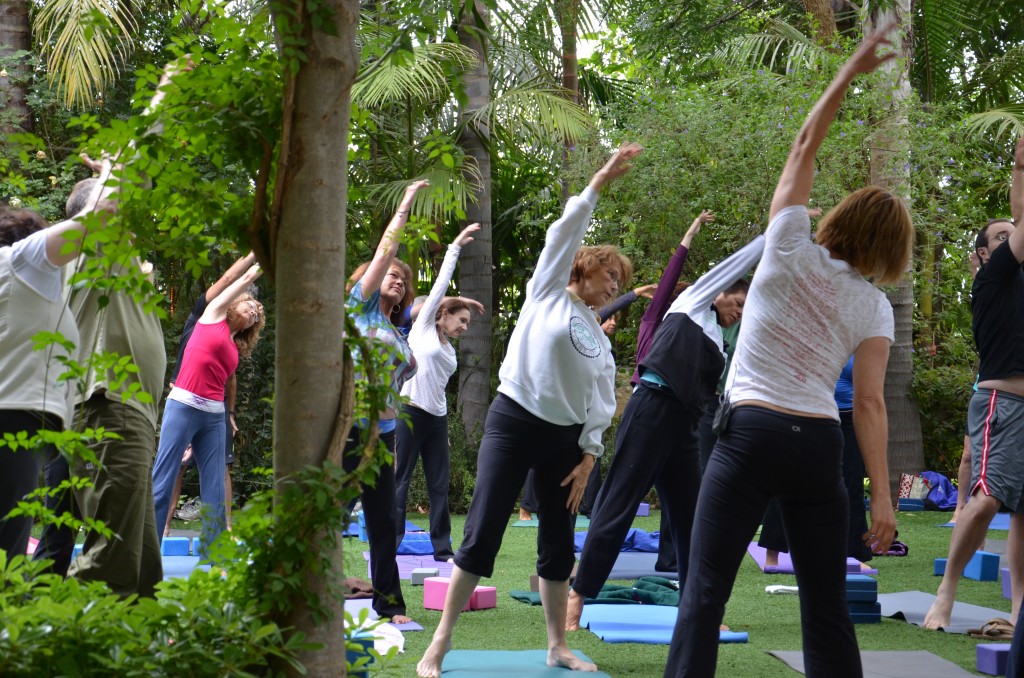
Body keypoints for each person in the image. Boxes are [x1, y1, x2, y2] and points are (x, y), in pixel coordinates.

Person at [665, 24, 910, 677]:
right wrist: (881, 498)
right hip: (818, 450)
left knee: (705, 595)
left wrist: (850, 72)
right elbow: (868, 405)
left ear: (838, 220)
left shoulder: (788, 244)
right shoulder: (875, 306)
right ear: (887, 251)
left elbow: (806, 142)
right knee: (826, 608)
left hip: (750, 435)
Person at [416, 143, 639, 678]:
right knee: (485, 527)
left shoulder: (596, 334)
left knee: (559, 541)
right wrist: (600, 181)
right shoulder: (547, 294)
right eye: (611, 276)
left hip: (563, 441)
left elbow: (601, 400)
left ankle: (557, 645)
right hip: (515, 421)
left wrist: (588, 455)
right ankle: (440, 641)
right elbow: (562, 234)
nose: (615, 286)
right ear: (584, 269)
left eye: (621, 283)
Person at [567, 218, 761, 631]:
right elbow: (732, 265)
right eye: (738, 304)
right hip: (652, 408)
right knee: (618, 504)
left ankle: (701, 609)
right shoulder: (691, 305)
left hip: (685, 428)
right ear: (720, 294)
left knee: (693, 518)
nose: (738, 313)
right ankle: (578, 597)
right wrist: (773, 233)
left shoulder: (722, 344)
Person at [926, 134, 1024, 632]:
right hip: (1001, 406)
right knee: (985, 499)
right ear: (983, 256)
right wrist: (1019, 168)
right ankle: (946, 594)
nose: (1009, 240)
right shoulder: (992, 279)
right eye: (999, 238)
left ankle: (1018, 613)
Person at [0, 162, 117, 558]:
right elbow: (99, 215)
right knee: (6, 557)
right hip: (11, 421)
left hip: (22, 424)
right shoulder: (22, 261)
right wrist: (117, 165)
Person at [344, 179, 428, 625]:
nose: (397, 277)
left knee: (383, 523)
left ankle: (390, 605)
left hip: (384, 434)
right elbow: (383, 254)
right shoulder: (358, 308)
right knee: (323, 514)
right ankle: (304, 589)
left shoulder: (398, 333)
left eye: (403, 278)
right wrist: (406, 206)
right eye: (391, 274)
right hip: (347, 428)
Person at [151, 263, 264, 556]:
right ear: (235, 303)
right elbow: (245, 278)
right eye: (250, 306)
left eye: (256, 315)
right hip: (184, 404)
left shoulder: (233, 344)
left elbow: (227, 383)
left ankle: (216, 556)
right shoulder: (212, 316)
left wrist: (228, 414)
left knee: (214, 489)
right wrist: (261, 253)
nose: (253, 313)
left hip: (214, 415)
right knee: (163, 478)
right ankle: (147, 549)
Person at [394, 222, 481, 562]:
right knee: (399, 481)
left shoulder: (448, 350)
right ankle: (393, 539)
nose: (463, 327)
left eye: (467, 325)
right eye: (461, 321)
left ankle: (442, 548)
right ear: (442, 314)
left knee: (439, 486)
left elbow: (440, 387)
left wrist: (442, 429)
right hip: (409, 411)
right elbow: (441, 284)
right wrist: (454, 248)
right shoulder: (424, 330)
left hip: (436, 418)